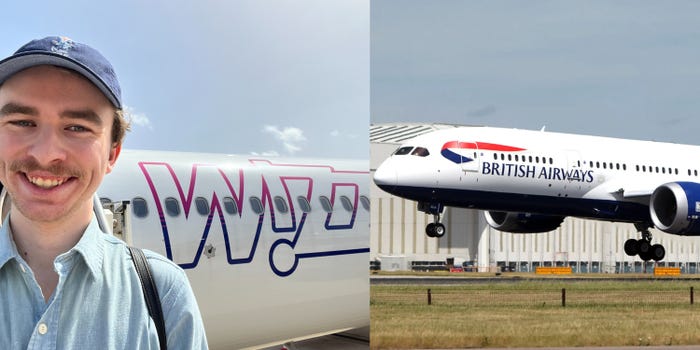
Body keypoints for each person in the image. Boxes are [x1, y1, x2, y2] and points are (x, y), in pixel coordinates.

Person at [0, 36, 208, 349]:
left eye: (77, 127)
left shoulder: (164, 294)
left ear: (112, 153)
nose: (45, 154)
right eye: (22, 121)